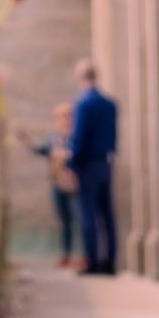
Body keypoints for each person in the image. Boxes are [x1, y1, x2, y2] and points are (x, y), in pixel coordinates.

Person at [65, 58, 118, 275]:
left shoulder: (83, 103)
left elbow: (79, 137)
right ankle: (110, 261)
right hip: (105, 161)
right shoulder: (110, 104)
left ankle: (93, 261)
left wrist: (71, 163)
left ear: (80, 78)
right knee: (107, 214)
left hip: (87, 164)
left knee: (88, 213)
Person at [17, 104, 80, 267]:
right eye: (62, 117)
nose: (65, 121)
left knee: (79, 219)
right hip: (57, 183)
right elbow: (40, 150)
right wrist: (26, 140)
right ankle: (66, 254)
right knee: (64, 220)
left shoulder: (75, 138)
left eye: (68, 117)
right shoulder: (54, 139)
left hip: (74, 184)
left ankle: (82, 255)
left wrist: (65, 156)